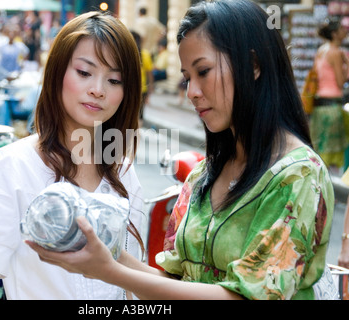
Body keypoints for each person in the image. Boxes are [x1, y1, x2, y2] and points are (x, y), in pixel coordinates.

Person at [27, 0, 335, 300]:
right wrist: (104, 250)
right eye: (187, 78)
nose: (192, 92)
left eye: (203, 72)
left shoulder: (298, 175)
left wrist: (111, 271)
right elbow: (175, 284)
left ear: (253, 65)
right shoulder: (204, 173)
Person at [0, 11, 144, 300]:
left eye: (114, 80)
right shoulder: (10, 167)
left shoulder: (123, 172)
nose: (98, 90)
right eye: (84, 73)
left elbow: (136, 284)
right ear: (57, 72)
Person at [309, 18, 349, 175]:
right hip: (332, 108)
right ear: (334, 34)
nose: (345, 31)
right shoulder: (335, 53)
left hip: (319, 107)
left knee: (320, 151)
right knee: (334, 155)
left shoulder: (322, 50)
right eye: (341, 29)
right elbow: (340, 82)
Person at [131, 31, 153, 120]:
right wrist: (150, 87)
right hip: (142, 88)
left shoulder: (125, 53)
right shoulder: (145, 54)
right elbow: (149, 74)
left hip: (128, 89)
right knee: (140, 114)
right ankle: (137, 133)